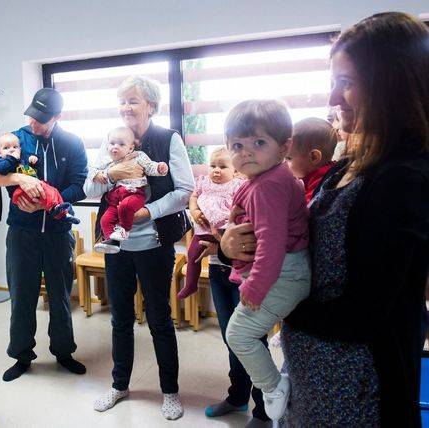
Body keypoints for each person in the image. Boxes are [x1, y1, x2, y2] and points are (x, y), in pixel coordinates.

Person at [218, 12, 429, 426]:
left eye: (346, 83)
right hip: (314, 376)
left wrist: (277, 301)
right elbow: (298, 239)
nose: (333, 98)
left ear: (394, 84)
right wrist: (230, 245)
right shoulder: (351, 162)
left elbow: (363, 313)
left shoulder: (404, 178)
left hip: (357, 391)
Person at [84, 75, 193, 420]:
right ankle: (120, 385)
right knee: (120, 318)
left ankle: (170, 392)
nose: (126, 108)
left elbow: (184, 189)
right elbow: (89, 188)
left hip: (154, 243)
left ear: (151, 105)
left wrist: (149, 211)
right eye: (122, 101)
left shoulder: (167, 139)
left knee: (160, 318)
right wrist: (109, 176)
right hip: (116, 245)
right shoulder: (113, 139)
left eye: (133, 101)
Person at [0, 87, 88, 382]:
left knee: (61, 296)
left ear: (57, 117)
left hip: (58, 232)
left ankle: (64, 352)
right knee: (21, 296)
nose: (34, 123)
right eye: (31, 116)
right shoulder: (16, 139)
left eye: (41, 119)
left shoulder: (72, 143)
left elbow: (80, 185)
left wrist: (50, 200)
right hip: (21, 234)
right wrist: (17, 179)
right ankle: (22, 355)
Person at [219, 99, 310, 425]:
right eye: (237, 145)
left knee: (239, 334)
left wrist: (256, 284)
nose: (247, 152)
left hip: (283, 272)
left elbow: (270, 243)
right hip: (288, 270)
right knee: (244, 332)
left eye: (259, 142)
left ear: (284, 145)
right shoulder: (272, 179)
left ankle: (273, 388)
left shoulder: (266, 187)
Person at [180, 147, 242, 299]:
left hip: (226, 227)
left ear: (235, 170)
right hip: (205, 228)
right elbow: (193, 197)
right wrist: (194, 211)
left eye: (223, 167)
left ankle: (237, 271)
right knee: (193, 254)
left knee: (235, 251)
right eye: (213, 166)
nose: (216, 170)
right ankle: (191, 284)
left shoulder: (236, 184)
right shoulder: (204, 182)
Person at [93, 126, 168, 252]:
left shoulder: (138, 156)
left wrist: (159, 168)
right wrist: (96, 174)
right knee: (105, 220)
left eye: (121, 144)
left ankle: (124, 230)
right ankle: (112, 242)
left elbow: (150, 167)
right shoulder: (109, 162)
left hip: (135, 194)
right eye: (112, 143)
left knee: (125, 207)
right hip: (115, 198)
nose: (115, 147)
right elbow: (92, 170)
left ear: (131, 148)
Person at [0, 133, 79, 225]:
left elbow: (30, 171)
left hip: (55, 226)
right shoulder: (3, 161)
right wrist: (12, 160)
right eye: (6, 148)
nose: (11, 150)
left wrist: (33, 162)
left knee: (53, 191)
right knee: (47, 191)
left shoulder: (22, 160)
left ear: (20, 149)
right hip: (19, 194)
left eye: (15, 147)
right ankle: (57, 209)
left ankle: (62, 211)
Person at [285, 117, 337, 203]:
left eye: (289, 158)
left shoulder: (322, 178)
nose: (285, 163)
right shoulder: (308, 173)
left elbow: (306, 207)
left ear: (314, 157)